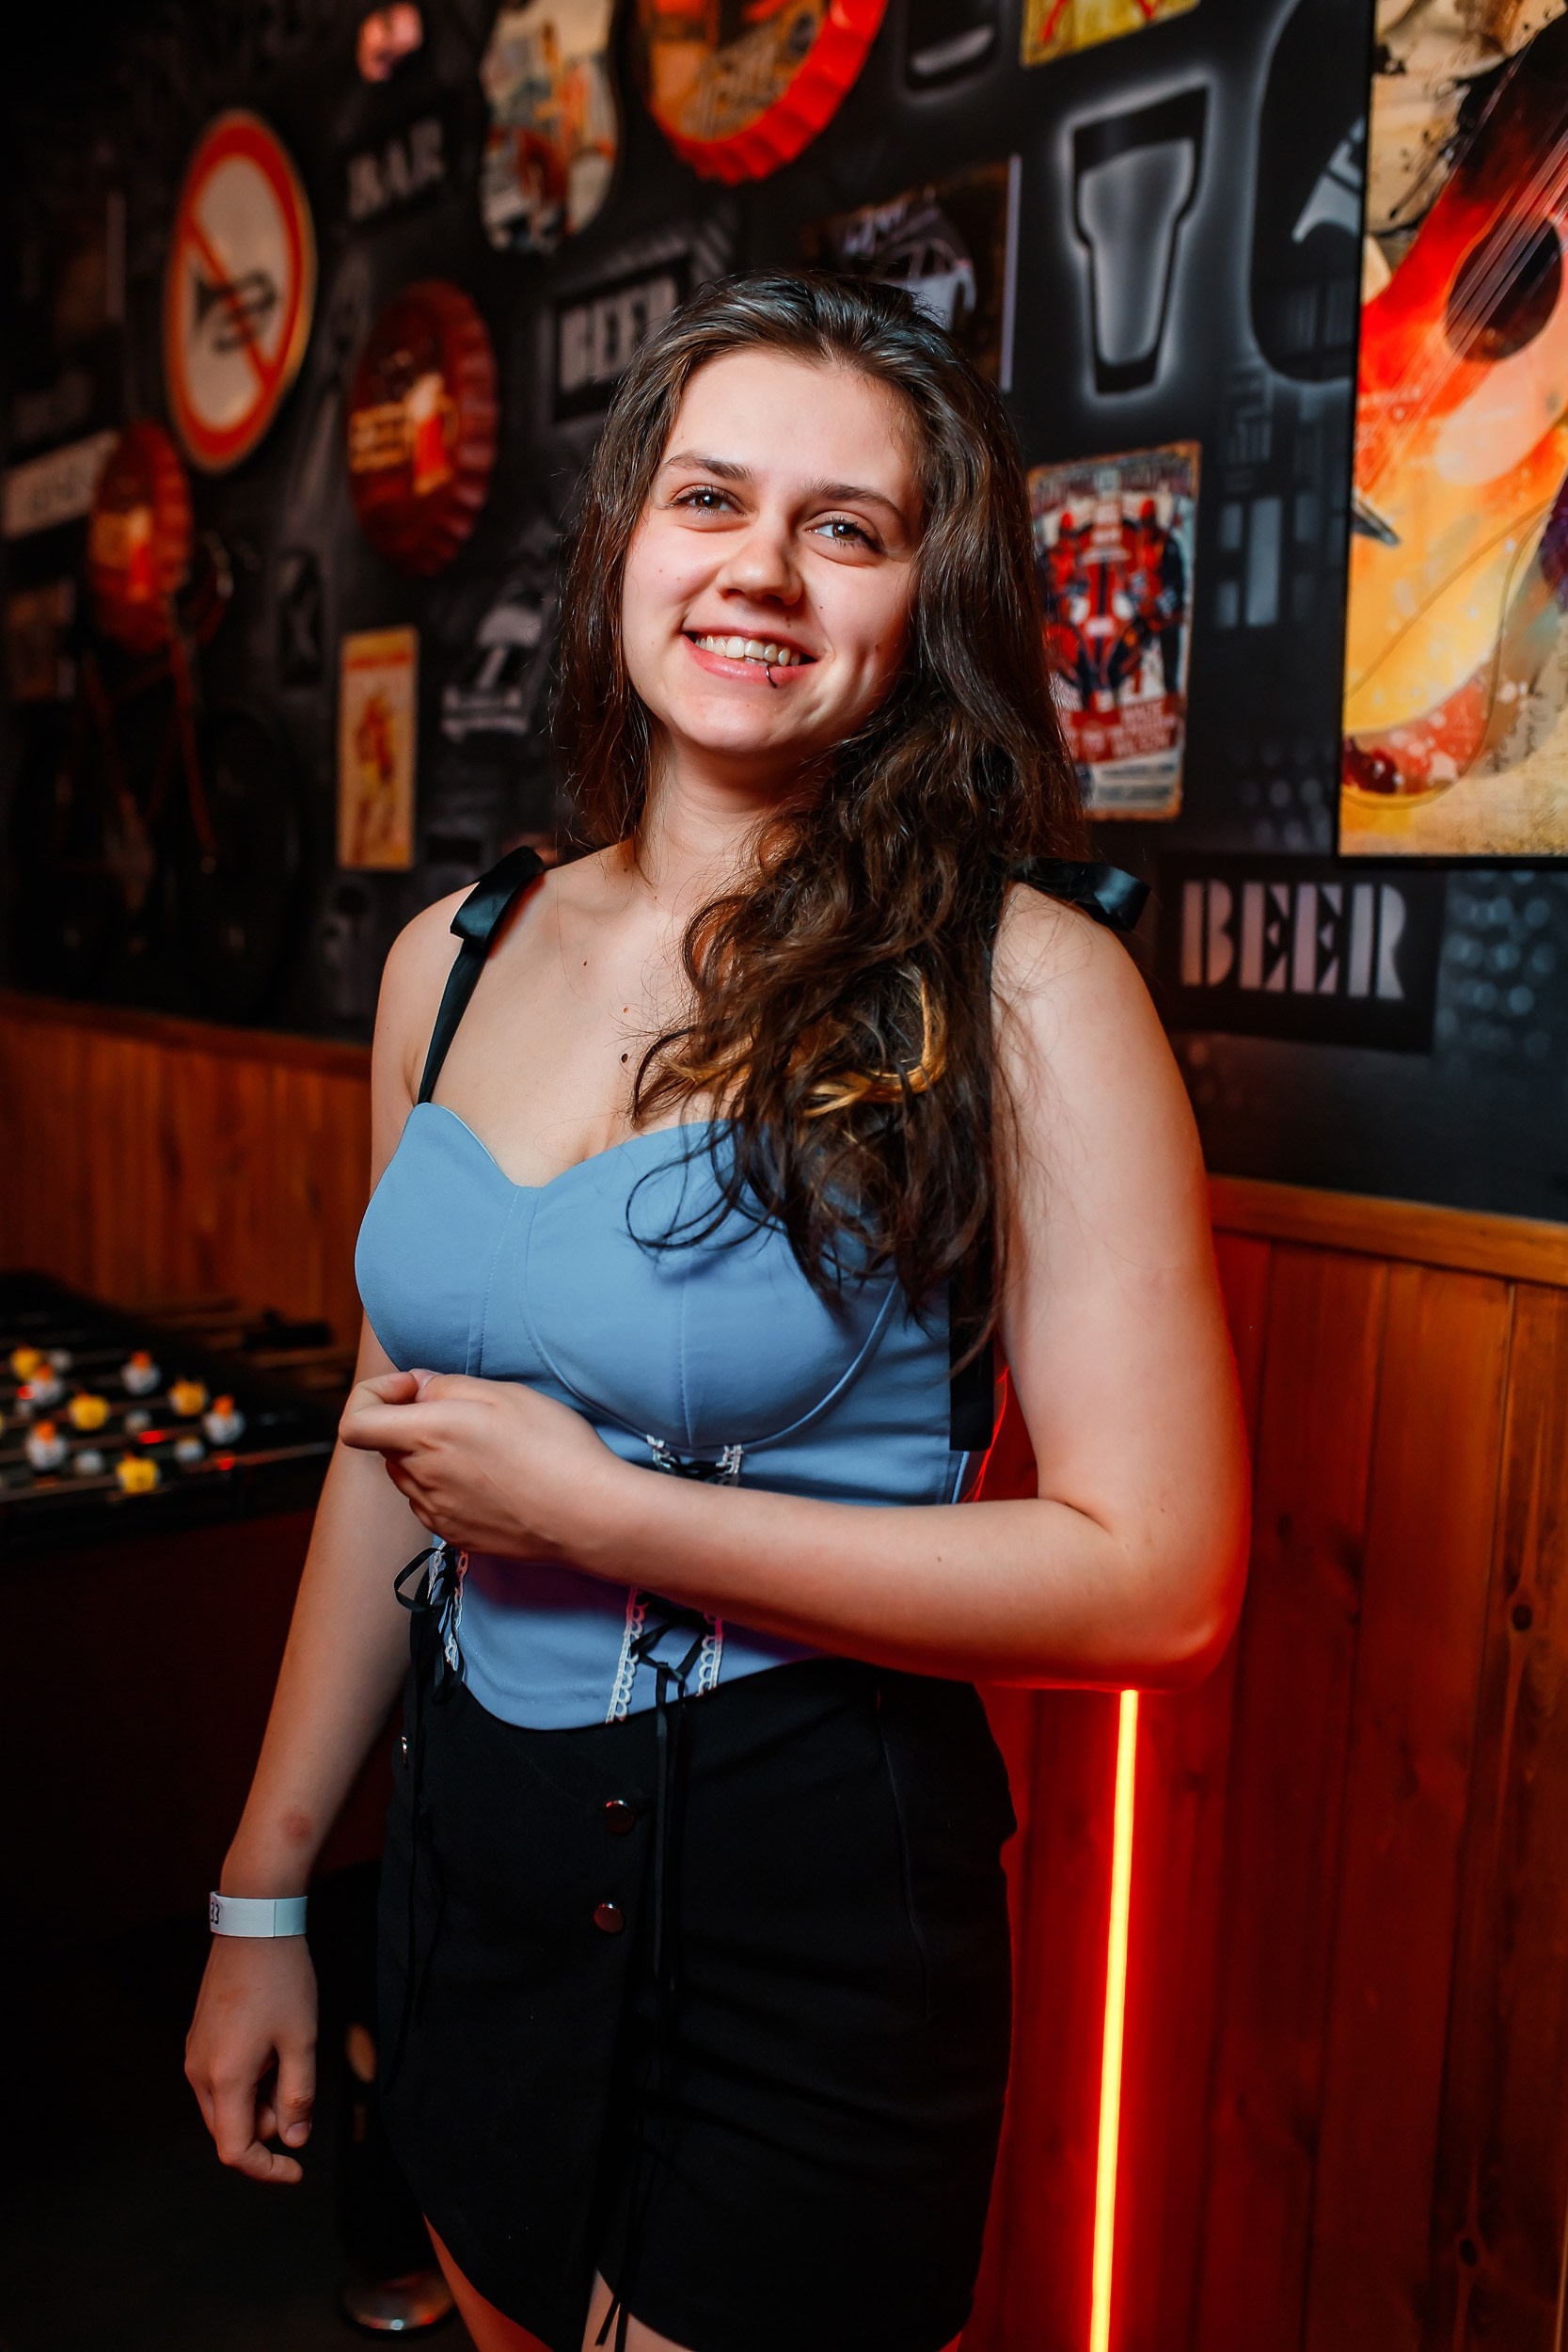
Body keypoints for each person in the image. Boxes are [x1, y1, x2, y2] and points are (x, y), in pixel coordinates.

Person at [185, 272, 1249, 2352]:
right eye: (711, 498)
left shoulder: (1025, 989)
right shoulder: (450, 960)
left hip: (806, 1904)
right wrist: (263, 1890)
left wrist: (611, 1516)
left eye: (844, 527)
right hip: (474, 1865)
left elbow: (1162, 1584)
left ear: (923, 602)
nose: (762, 568)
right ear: (624, 545)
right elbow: (392, 1460)